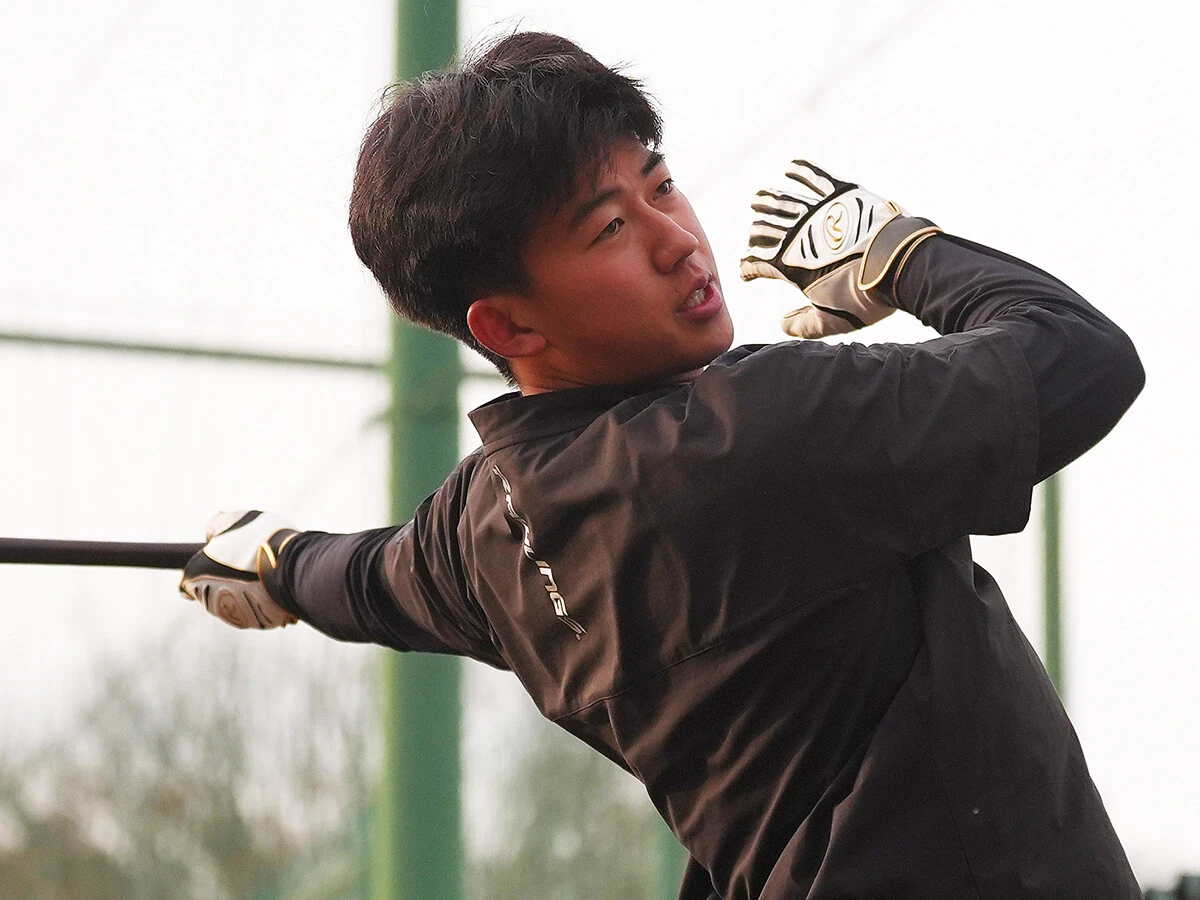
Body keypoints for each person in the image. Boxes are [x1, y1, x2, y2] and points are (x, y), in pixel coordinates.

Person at [180, 31, 1145, 900]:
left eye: (661, 185)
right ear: (508, 323)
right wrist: (896, 252)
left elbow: (361, 579)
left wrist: (277, 561)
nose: (679, 242)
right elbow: (1081, 357)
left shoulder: (483, 531)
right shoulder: (757, 436)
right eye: (610, 228)